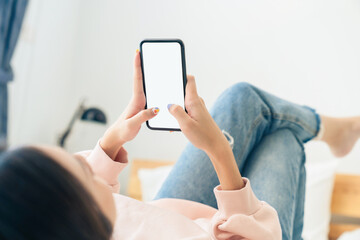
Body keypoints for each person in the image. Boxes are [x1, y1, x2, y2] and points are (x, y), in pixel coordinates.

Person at [0, 50, 359, 240]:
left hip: (177, 216)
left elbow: (86, 189)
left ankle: (333, 132)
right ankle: (334, 132)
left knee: (242, 100)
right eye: (83, 169)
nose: (89, 163)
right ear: (77, 216)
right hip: (242, 231)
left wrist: (112, 141)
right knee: (282, 137)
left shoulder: (83, 222)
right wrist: (218, 150)